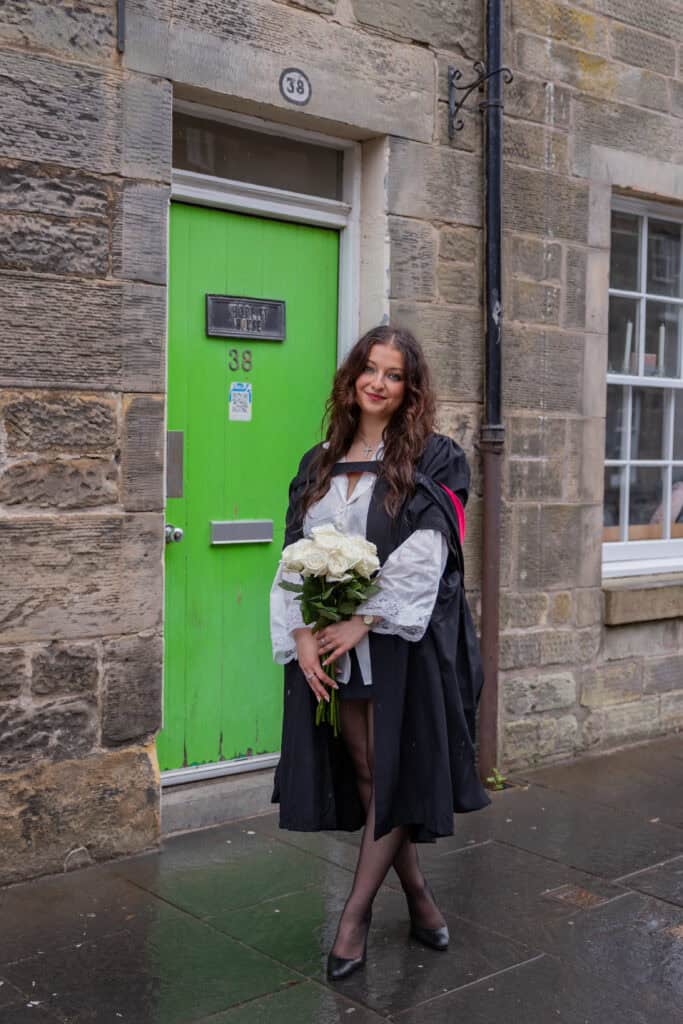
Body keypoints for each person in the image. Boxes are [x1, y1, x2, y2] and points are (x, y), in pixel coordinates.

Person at [269, 324, 490, 981]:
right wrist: (302, 635)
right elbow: (291, 551)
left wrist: (364, 620)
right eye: (369, 369)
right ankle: (419, 898)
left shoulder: (437, 458)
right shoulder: (318, 462)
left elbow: (428, 550)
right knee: (369, 775)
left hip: (398, 643)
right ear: (351, 377)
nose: (378, 383)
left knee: (389, 771)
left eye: (393, 374)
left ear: (409, 388)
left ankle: (354, 919)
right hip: (331, 646)